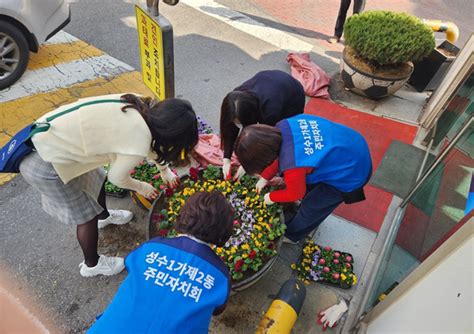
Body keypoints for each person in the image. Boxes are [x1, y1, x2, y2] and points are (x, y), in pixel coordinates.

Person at [19, 93, 199, 277]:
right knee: (86, 216)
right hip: (45, 163)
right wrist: (142, 187)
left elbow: (151, 141)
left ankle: (103, 217)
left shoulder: (141, 105)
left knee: (97, 179)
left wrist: (164, 170)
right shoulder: (139, 138)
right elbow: (117, 178)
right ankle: (92, 265)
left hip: (62, 143)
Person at [88, 191, 234, 333]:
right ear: (224, 233)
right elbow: (217, 309)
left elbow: (130, 263)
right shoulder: (220, 275)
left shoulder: (151, 247)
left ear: (184, 216)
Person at [234, 114, 372, 242]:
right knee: (307, 187)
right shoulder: (282, 126)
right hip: (349, 143)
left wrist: (270, 197)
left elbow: (295, 193)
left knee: (313, 207)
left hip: (352, 172)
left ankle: (293, 236)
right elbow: (279, 151)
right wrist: (265, 177)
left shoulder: (294, 166)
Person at [220, 70, 305, 180]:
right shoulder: (235, 98)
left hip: (292, 94)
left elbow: (266, 139)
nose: (238, 125)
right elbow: (229, 129)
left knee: (285, 133)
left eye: (240, 122)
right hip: (269, 81)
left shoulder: (270, 111)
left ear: (251, 115)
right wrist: (226, 159)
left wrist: (248, 163)